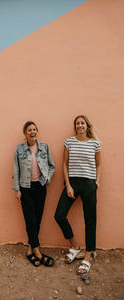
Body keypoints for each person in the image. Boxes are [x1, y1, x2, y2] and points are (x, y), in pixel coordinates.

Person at [54, 115, 101, 274]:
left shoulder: (95, 143)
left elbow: (99, 164)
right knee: (59, 215)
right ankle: (74, 245)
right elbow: (64, 164)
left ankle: (88, 255)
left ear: (87, 125)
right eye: (77, 123)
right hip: (72, 182)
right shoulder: (69, 142)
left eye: (82, 123)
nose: (80, 125)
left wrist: (96, 182)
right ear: (75, 126)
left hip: (89, 183)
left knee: (90, 220)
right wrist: (68, 185)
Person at [13, 121, 55, 267]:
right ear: (25, 133)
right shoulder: (19, 149)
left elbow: (52, 166)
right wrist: (17, 189)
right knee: (30, 219)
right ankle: (37, 251)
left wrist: (47, 178)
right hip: (25, 187)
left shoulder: (44, 147)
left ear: (37, 131)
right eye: (29, 130)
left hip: (40, 187)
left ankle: (30, 249)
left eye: (34, 129)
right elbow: (16, 170)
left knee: (37, 219)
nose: (32, 132)